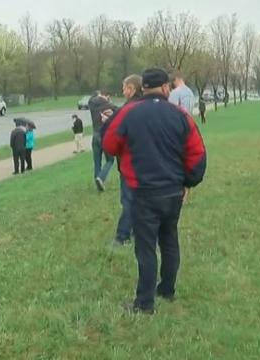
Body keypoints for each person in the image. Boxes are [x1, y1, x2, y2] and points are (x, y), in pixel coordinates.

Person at [103, 68, 207, 314]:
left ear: (143, 88)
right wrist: (189, 181)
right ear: (164, 88)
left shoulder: (128, 112)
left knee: (146, 246)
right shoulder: (180, 114)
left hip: (143, 191)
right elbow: (197, 152)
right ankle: (167, 289)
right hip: (173, 191)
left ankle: (145, 302)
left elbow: (109, 143)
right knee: (169, 240)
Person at [101, 74, 143, 247]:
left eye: (125, 88)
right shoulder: (143, 105)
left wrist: (107, 121)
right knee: (138, 199)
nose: (122, 91)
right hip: (144, 162)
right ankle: (136, 231)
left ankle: (122, 235)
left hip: (129, 162)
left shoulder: (128, 109)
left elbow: (112, 135)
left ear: (132, 89)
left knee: (128, 200)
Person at [88, 90, 117, 192]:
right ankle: (101, 178)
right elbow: (119, 111)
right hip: (105, 135)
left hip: (95, 135)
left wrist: (98, 95)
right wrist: (109, 102)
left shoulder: (92, 105)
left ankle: (97, 180)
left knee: (97, 161)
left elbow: (91, 99)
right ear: (107, 96)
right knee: (110, 160)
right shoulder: (109, 105)